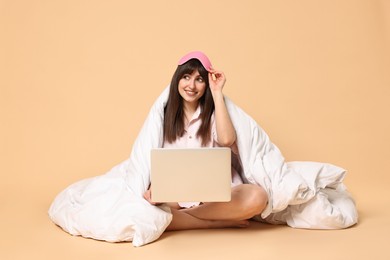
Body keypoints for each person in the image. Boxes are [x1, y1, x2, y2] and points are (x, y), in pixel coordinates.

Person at [143, 51, 268, 230]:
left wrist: (217, 92)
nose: (191, 85)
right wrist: (155, 188)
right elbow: (155, 159)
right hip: (176, 195)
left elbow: (226, 139)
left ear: (206, 84)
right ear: (177, 79)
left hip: (216, 195)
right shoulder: (162, 116)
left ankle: (185, 219)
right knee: (145, 208)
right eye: (186, 77)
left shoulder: (214, 113)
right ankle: (215, 222)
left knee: (258, 197)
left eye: (199, 80)